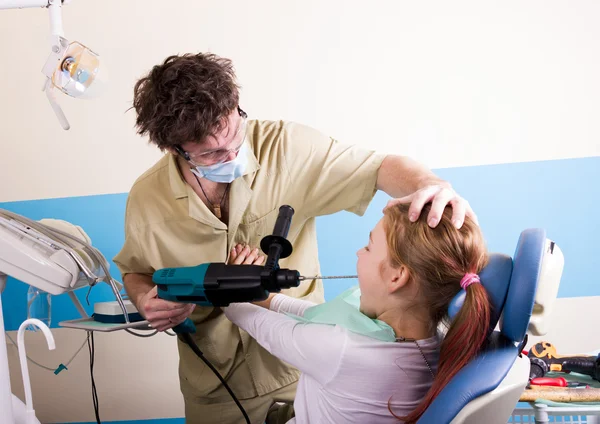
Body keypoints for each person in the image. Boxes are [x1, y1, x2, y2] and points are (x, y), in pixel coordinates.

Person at [112, 52, 478, 424]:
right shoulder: (147, 199)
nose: (234, 154)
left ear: (236, 106)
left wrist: (432, 188)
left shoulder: (287, 147)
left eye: (236, 134)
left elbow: (378, 168)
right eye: (212, 154)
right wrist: (146, 298)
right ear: (175, 149)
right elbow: (136, 270)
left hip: (303, 374)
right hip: (215, 387)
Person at [223, 203, 491, 423]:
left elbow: (253, 321)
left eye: (369, 246)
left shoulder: (341, 351)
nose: (358, 252)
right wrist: (269, 298)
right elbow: (316, 315)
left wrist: (229, 282)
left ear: (397, 277)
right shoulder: (435, 336)